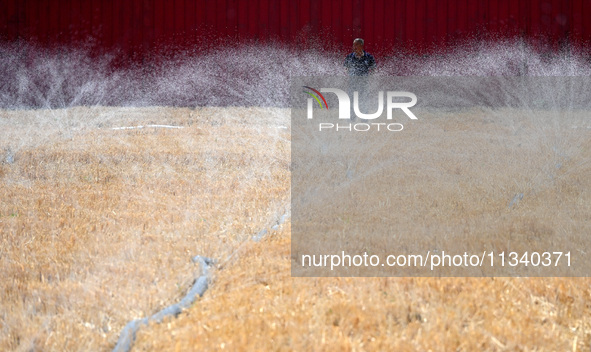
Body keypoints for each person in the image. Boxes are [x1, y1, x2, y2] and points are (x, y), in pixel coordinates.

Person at [344, 39, 376, 121]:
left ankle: (364, 120)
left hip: (363, 83)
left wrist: (369, 79)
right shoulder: (349, 57)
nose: (354, 47)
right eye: (353, 45)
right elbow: (345, 69)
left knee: (363, 101)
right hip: (352, 83)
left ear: (361, 45)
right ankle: (351, 119)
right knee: (351, 101)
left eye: (356, 45)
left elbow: (373, 69)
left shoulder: (369, 57)